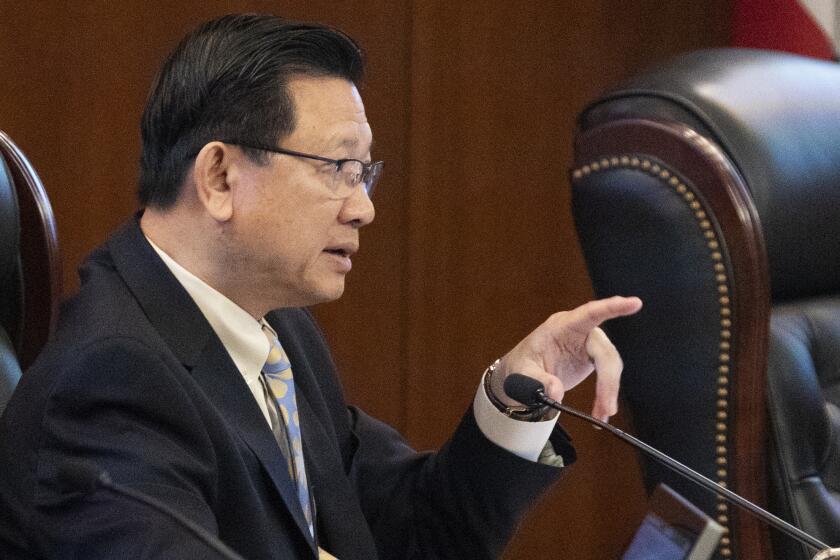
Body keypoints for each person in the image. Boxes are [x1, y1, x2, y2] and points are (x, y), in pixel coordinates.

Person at [0, 13, 641, 560]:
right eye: (337, 168)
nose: (363, 208)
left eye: (364, 173)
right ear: (220, 177)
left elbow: (413, 533)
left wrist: (513, 397)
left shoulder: (275, 329)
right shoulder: (110, 382)